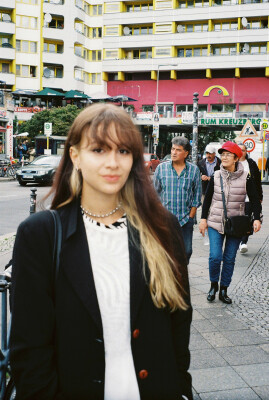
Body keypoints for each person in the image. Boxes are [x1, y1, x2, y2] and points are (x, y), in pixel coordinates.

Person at [10, 103, 193, 400]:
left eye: (123, 151)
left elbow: (179, 322)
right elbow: (30, 348)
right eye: (98, 150)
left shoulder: (161, 227)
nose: (113, 162)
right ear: (75, 156)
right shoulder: (40, 234)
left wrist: (181, 389)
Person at [199, 141, 262, 304]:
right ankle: (214, 285)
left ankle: (224, 289)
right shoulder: (216, 175)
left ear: (236, 158)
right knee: (215, 257)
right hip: (215, 222)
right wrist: (203, 219)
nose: (224, 157)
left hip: (236, 224)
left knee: (229, 258)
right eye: (223, 154)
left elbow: (255, 200)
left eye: (228, 154)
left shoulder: (246, 177)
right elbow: (207, 199)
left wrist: (256, 218)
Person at [154, 137, 201, 264]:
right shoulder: (161, 169)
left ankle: (181, 274)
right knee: (166, 252)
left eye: (178, 150)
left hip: (185, 220)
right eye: (173, 149)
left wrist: (191, 217)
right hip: (166, 219)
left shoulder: (193, 170)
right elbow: (155, 194)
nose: (174, 152)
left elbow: (197, 196)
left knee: (186, 251)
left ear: (186, 153)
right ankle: (169, 278)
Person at [238, 143, 263, 254]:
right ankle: (238, 239)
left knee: (248, 220)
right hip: (235, 198)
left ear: (246, 151)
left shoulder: (251, 164)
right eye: (239, 150)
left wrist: (259, 196)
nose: (241, 152)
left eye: (243, 150)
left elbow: (258, 181)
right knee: (237, 220)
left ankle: (243, 241)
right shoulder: (232, 163)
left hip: (249, 198)